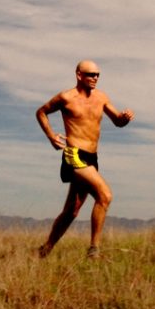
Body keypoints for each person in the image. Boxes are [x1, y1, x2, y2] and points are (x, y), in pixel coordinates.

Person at [36, 59, 134, 259]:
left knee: (71, 211)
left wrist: (123, 119)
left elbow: (117, 121)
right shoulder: (66, 97)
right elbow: (41, 112)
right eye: (91, 74)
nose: (95, 78)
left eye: (97, 75)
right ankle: (94, 250)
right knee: (105, 195)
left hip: (92, 157)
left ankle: (44, 250)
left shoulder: (101, 97)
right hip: (73, 154)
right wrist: (51, 135)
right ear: (79, 75)